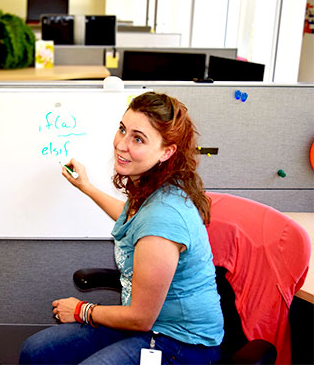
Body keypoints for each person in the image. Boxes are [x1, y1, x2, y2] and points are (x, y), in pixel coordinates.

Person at [19, 92, 224, 364]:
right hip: (146, 326)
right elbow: (133, 219)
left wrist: (82, 310)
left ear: (166, 151)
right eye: (122, 129)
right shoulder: (151, 190)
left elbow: (140, 318)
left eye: (138, 138)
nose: (121, 144)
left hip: (180, 343)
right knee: (36, 351)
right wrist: (87, 187)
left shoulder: (164, 217)